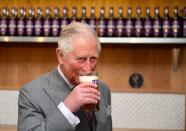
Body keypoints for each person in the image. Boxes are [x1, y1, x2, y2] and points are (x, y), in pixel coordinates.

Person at [18, 22, 112, 131]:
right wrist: (66, 108)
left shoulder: (104, 90)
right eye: (81, 59)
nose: (88, 68)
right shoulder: (31, 94)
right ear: (61, 56)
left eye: (93, 59)